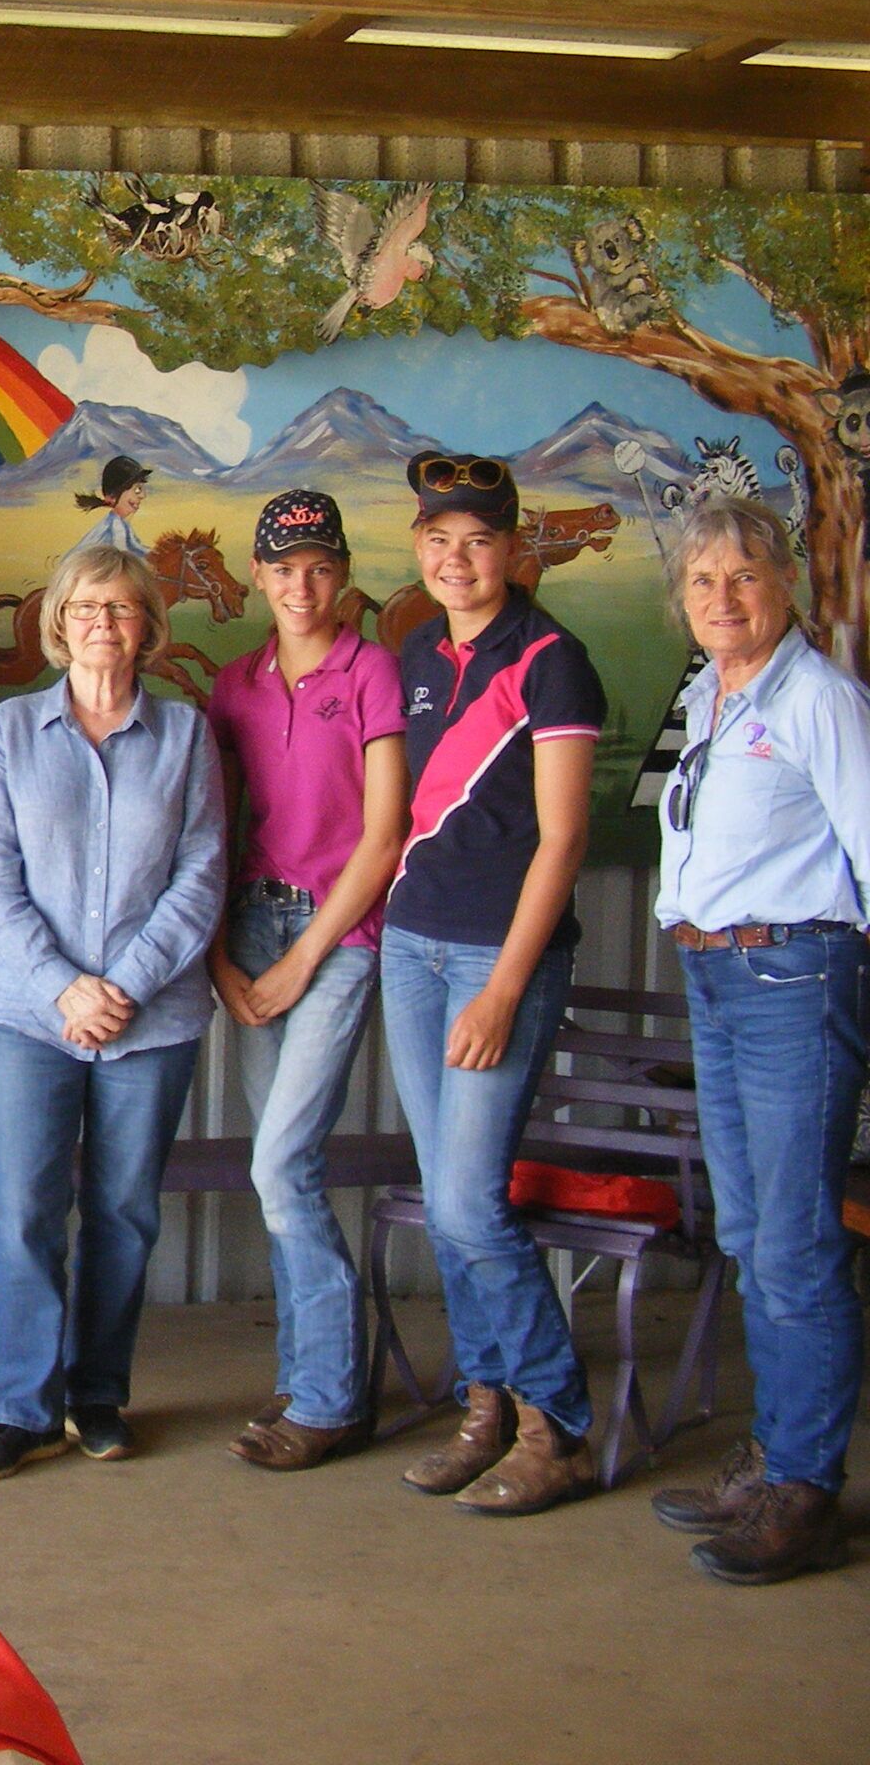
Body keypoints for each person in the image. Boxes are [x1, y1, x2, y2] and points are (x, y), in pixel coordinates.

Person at [0, 543, 225, 1478]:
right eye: (84, 608)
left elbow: (200, 876)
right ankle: (22, 1409)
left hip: (151, 1016)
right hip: (30, 1010)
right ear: (56, 623)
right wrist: (64, 987)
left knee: (122, 1209)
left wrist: (126, 985)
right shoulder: (9, 733)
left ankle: (98, 1396)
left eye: (121, 609)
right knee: (26, 1206)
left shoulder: (187, 736)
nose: (102, 624)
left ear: (148, 625)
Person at [646, 497, 869, 1584]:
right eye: (701, 582)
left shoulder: (819, 699)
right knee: (746, 1232)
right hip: (713, 971)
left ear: (785, 584)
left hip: (791, 973)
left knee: (792, 1243)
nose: (721, 599)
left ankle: (806, 1490)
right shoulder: (707, 694)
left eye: (742, 576)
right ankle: (778, 1455)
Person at [382, 452, 602, 1516]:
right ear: (417, 548)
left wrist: (504, 989)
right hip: (410, 948)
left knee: (472, 1206)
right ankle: (487, 1404)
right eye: (437, 541)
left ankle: (553, 1422)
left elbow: (561, 841)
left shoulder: (554, 661)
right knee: (446, 1201)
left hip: (492, 962)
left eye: (477, 542)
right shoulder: (418, 651)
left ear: (514, 551)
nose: (456, 560)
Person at [205, 490, 406, 1471]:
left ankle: (331, 1395)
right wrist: (219, 957)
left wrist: (301, 958)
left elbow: (382, 837)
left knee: (281, 1164)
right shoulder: (234, 686)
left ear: (343, 574)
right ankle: (305, 1369)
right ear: (256, 574)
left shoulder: (370, 670)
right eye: (282, 568)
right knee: (279, 1165)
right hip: (250, 924)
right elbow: (212, 831)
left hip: (340, 930)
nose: (301, 585)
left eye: (320, 567)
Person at [70, 455, 150, 559]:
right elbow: (123, 556)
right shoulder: (114, 526)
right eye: (137, 490)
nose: (143, 496)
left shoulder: (122, 524)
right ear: (112, 496)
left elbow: (136, 547)